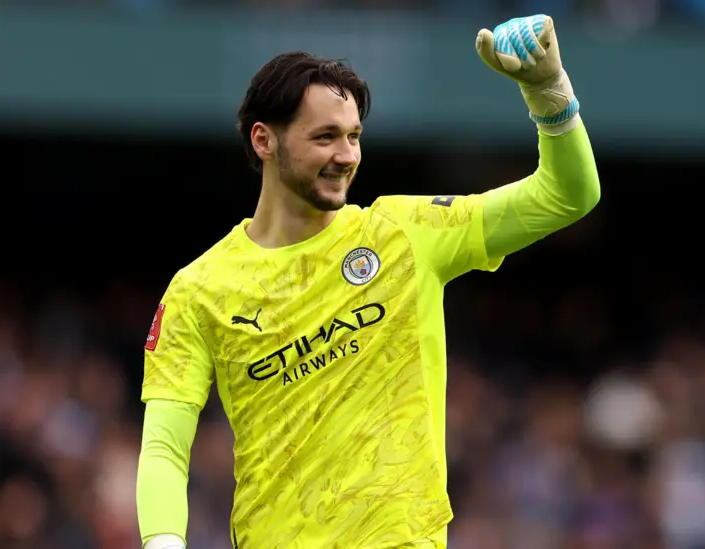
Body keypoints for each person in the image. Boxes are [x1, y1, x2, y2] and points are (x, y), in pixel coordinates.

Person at [136, 14, 600, 549]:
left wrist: (547, 90)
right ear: (264, 140)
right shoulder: (199, 289)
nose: (347, 156)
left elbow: (567, 196)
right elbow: (165, 448)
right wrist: (164, 542)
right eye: (326, 137)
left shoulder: (403, 234)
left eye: (354, 136)